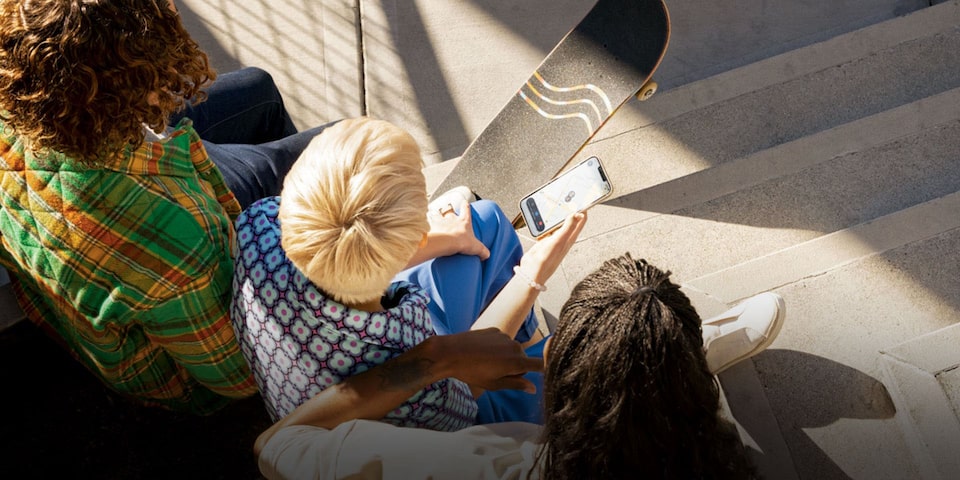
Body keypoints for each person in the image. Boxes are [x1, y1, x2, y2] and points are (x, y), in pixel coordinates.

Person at [0, 0, 331, 414]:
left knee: (257, 90)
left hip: (102, 157)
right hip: (171, 257)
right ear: (128, 83)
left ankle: (279, 230)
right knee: (345, 143)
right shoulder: (179, 243)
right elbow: (239, 375)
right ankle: (293, 251)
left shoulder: (23, 94)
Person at [253, 253, 785, 479]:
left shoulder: (478, 465)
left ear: (551, 363)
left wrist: (436, 357)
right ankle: (664, 374)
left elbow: (276, 446)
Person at [231, 117, 585, 429]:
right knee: (571, 375)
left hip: (348, 326)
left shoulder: (257, 223)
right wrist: (531, 279)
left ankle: (523, 334)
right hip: (450, 410)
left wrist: (448, 238)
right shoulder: (418, 388)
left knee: (485, 220)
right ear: (415, 239)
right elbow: (464, 391)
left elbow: (332, 243)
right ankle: (527, 347)